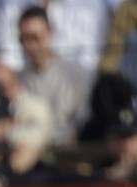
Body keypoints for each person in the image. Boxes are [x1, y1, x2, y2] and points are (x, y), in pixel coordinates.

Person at [17, 5, 93, 144]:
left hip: (64, 152)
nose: (30, 45)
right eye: (24, 39)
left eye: (35, 38)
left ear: (50, 33)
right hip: (26, 145)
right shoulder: (18, 78)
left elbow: (83, 121)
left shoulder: (76, 73)